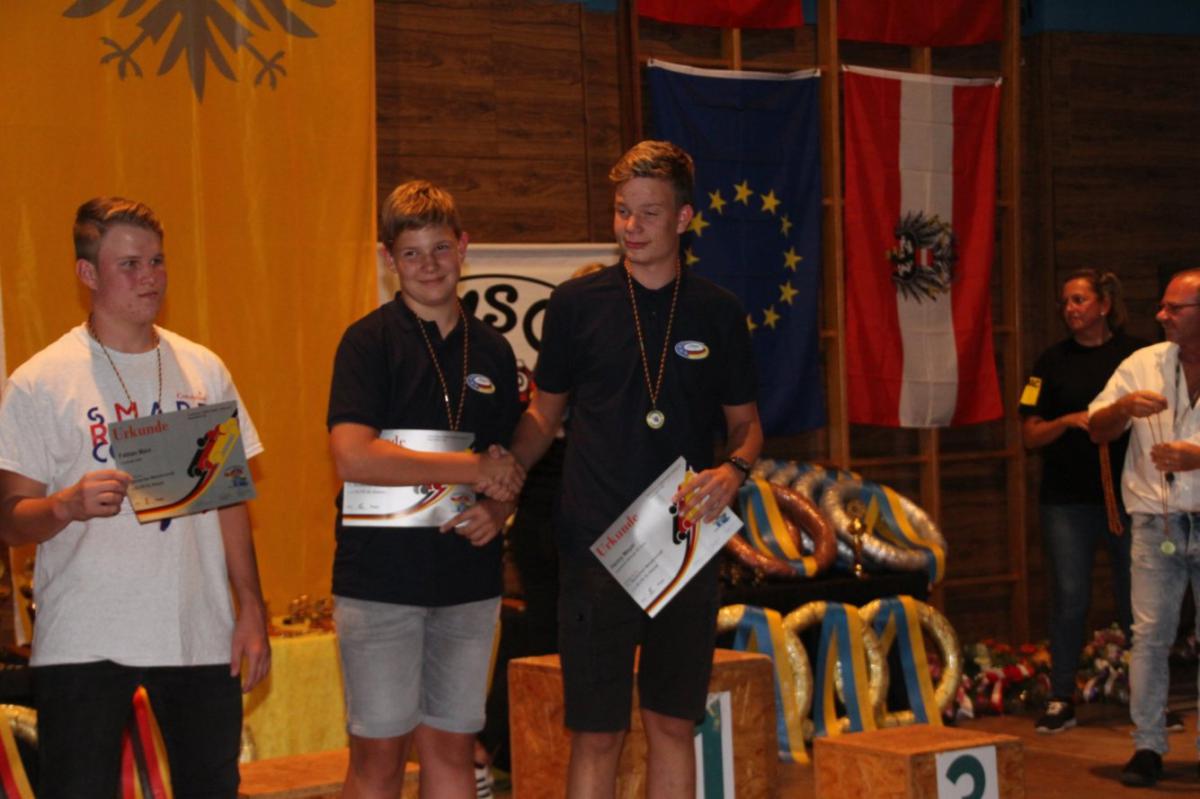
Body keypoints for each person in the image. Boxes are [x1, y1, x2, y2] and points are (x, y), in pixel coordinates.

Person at [511, 140, 763, 797]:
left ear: (683, 218)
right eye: (623, 210)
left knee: (672, 722)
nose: (632, 226)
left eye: (649, 213)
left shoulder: (717, 311)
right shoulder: (577, 303)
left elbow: (747, 424)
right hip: (595, 542)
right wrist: (502, 474)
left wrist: (733, 470)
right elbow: (542, 415)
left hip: (682, 536)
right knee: (596, 732)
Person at [0, 197, 271, 797]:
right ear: (87, 273)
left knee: (212, 787)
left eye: (157, 261)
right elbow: (11, 520)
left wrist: (250, 607)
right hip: (85, 635)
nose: (149, 277)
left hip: (197, 628)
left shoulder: (202, 369)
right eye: (129, 265)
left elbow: (229, 501)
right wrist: (65, 505)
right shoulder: (41, 381)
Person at [327, 180, 524, 798]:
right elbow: (353, 455)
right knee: (379, 755)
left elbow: (507, 463)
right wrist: (473, 470)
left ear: (463, 247)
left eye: (441, 248)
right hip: (380, 580)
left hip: (467, 580)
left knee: (452, 749)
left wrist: (498, 506)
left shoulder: (493, 349)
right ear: (389, 259)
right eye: (411, 253)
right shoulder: (367, 342)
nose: (429, 265)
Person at [1019, 269, 1146, 734]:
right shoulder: (1049, 363)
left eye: (1079, 300)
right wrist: (1067, 421)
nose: (1070, 309)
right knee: (1071, 599)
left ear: (1104, 305)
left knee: (1139, 602)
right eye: (1065, 302)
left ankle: (1147, 699)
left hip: (1130, 498)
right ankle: (1061, 698)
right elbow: (1030, 434)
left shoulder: (1137, 357)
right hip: (1067, 502)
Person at [1089, 268, 1200, 788]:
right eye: (1163, 306)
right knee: (1150, 637)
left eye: (1174, 308)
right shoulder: (1142, 363)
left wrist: (1197, 458)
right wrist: (1122, 408)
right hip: (1156, 522)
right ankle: (1148, 746)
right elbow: (1097, 428)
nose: (1162, 315)